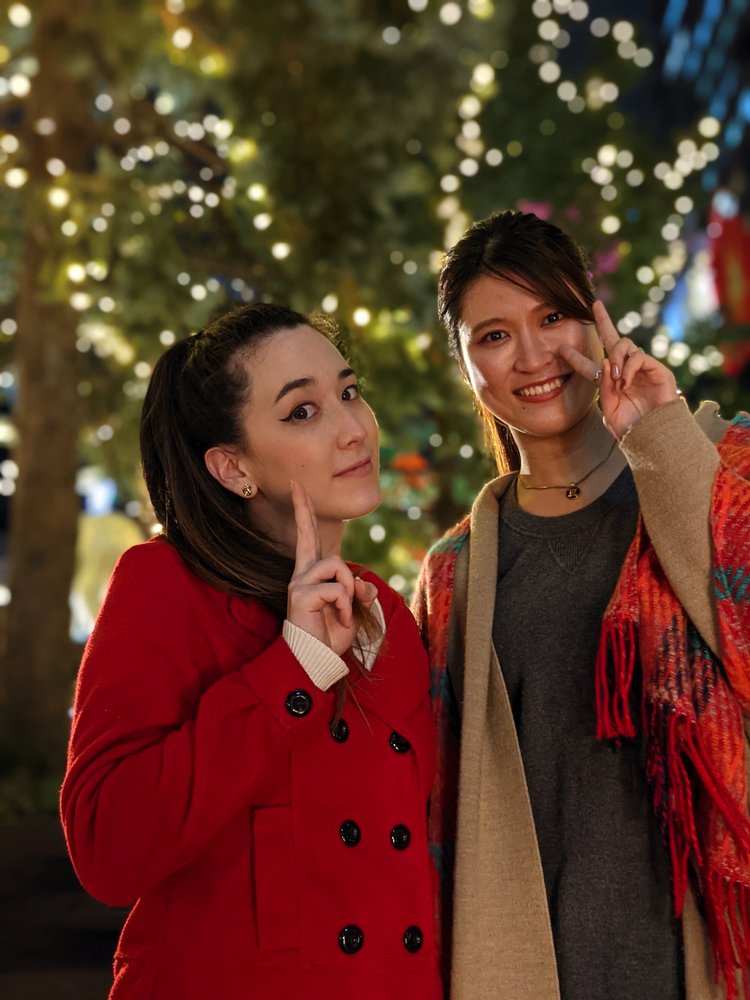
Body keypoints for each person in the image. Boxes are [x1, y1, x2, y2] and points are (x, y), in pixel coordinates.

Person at [412, 210, 750, 1000]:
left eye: (553, 316)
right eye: (493, 336)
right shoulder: (455, 575)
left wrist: (660, 439)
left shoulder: (722, 463)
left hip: (710, 963)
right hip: (542, 971)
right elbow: (441, 814)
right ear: (467, 368)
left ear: (595, 318)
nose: (532, 356)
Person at [61, 303, 443, 1000]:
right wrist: (294, 663)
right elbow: (105, 850)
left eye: (349, 393)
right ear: (233, 467)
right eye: (303, 412)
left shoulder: (390, 614)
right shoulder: (167, 586)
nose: (355, 429)